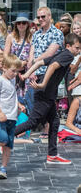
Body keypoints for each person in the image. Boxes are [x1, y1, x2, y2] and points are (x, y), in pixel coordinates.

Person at [16, 33, 80, 164]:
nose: (78, 50)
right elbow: (51, 66)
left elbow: (40, 62)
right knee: (33, 122)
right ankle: (3, 138)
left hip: (48, 93)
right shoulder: (67, 55)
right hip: (45, 92)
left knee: (55, 123)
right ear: (68, 46)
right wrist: (44, 83)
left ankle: (52, 154)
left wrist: (27, 74)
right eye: (77, 48)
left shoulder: (61, 54)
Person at [0, 54, 24, 179]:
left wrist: (18, 104)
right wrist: (0, 113)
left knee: (8, 145)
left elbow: (11, 95)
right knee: (3, 140)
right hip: (1, 118)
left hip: (11, 117)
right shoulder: (0, 81)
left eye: (16, 71)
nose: (15, 74)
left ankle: (3, 168)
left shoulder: (12, 80)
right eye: (13, 71)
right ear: (4, 68)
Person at [4, 13, 33, 114]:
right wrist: (15, 64)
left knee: (26, 95)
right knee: (13, 94)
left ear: (27, 24)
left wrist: (24, 63)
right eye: (19, 23)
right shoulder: (10, 37)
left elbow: (32, 56)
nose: (21, 25)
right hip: (13, 70)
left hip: (26, 70)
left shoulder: (31, 37)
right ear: (15, 24)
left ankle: (27, 119)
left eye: (24, 23)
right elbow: (5, 55)